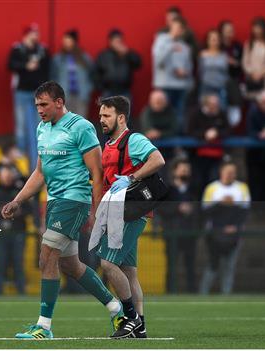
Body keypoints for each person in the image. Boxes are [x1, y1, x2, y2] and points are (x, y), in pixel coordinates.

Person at [2, 81, 122, 339]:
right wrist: (18, 200)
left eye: (44, 104)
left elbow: (97, 173)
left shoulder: (81, 127)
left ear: (59, 102)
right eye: (36, 105)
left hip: (74, 200)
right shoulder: (42, 129)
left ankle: (44, 327)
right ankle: (115, 308)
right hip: (55, 201)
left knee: (46, 257)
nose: (40, 110)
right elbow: (40, 172)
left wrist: (97, 209)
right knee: (71, 264)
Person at [95, 96, 165, 338]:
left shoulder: (133, 140)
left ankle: (130, 318)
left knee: (107, 263)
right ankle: (141, 325)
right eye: (101, 115)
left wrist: (132, 177)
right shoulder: (109, 144)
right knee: (129, 272)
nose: (101, 119)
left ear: (121, 117)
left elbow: (158, 160)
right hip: (116, 212)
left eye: (107, 115)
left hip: (129, 213)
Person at [199, 161, 250, 294]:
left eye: (233, 172)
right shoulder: (212, 188)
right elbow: (205, 211)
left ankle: (226, 294)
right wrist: (220, 203)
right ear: (221, 172)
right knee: (212, 264)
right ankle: (203, 293)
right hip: (215, 233)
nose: (230, 175)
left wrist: (236, 227)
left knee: (230, 265)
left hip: (234, 234)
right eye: (228, 172)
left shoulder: (242, 188)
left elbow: (245, 212)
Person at [8, 23, 50, 171]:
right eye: (33, 33)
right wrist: (25, 65)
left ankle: (41, 148)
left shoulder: (42, 50)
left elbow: (47, 68)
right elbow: (10, 65)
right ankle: (21, 148)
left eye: (37, 33)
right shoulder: (17, 49)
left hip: (38, 93)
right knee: (21, 123)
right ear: (26, 35)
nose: (36, 36)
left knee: (41, 123)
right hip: (22, 92)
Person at [0, 166, 30, 295]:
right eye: (4, 174)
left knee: (18, 263)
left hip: (18, 232)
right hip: (2, 233)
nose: (7, 177)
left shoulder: (19, 192)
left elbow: (29, 209)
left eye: (9, 174)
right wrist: (0, 211)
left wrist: (19, 212)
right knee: (1, 263)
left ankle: (21, 293)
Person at [158, 158, 198, 293]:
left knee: (191, 265)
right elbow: (162, 209)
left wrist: (192, 209)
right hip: (172, 234)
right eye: (182, 169)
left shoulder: (194, 190)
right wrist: (178, 208)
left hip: (189, 233)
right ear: (174, 171)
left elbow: (200, 210)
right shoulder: (167, 190)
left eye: (187, 169)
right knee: (171, 266)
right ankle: (170, 292)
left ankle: (192, 292)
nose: (185, 172)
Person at [152, 16, 194, 133]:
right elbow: (158, 60)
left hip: (181, 86)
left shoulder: (184, 46)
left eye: (181, 29)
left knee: (179, 116)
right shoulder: (161, 40)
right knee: (162, 114)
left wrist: (185, 73)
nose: (178, 31)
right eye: (176, 27)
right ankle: (161, 146)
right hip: (165, 85)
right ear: (171, 26)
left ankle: (177, 145)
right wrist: (170, 48)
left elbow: (189, 67)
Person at [187, 94, 231, 196]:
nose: (215, 107)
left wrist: (217, 133)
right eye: (212, 105)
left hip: (216, 155)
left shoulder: (221, 114)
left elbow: (228, 130)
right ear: (206, 105)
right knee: (199, 182)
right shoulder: (196, 114)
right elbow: (190, 131)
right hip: (198, 156)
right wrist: (205, 134)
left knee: (214, 180)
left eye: (217, 105)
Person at [51, 29, 93, 117]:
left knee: (80, 123)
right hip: (64, 96)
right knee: (65, 123)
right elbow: (53, 76)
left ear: (74, 42)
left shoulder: (84, 58)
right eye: (64, 41)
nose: (66, 44)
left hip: (81, 95)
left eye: (68, 41)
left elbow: (92, 74)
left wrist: (88, 89)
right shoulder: (58, 58)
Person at [95, 28, 141, 100]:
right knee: (108, 111)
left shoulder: (127, 53)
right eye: (116, 41)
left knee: (124, 110)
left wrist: (128, 54)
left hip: (124, 91)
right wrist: (101, 87)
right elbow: (96, 72)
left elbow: (138, 64)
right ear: (110, 41)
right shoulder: (103, 55)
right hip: (108, 91)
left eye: (120, 41)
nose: (118, 43)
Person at [242, 17, 265, 101]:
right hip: (254, 82)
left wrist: (263, 73)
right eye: (254, 28)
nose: (257, 31)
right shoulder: (248, 44)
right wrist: (252, 73)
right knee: (254, 106)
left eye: (259, 28)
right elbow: (245, 63)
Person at [219, 20, 244, 126]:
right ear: (221, 32)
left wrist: (235, 63)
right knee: (220, 110)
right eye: (227, 31)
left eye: (231, 31)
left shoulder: (238, 46)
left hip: (234, 83)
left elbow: (244, 65)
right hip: (219, 83)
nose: (229, 33)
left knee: (235, 116)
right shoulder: (217, 46)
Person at [198, 30, 229, 109]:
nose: (215, 42)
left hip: (220, 87)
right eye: (213, 39)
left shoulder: (224, 55)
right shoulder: (203, 54)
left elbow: (226, 72)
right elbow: (200, 71)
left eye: (217, 40)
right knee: (205, 110)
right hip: (206, 87)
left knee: (221, 110)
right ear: (208, 41)